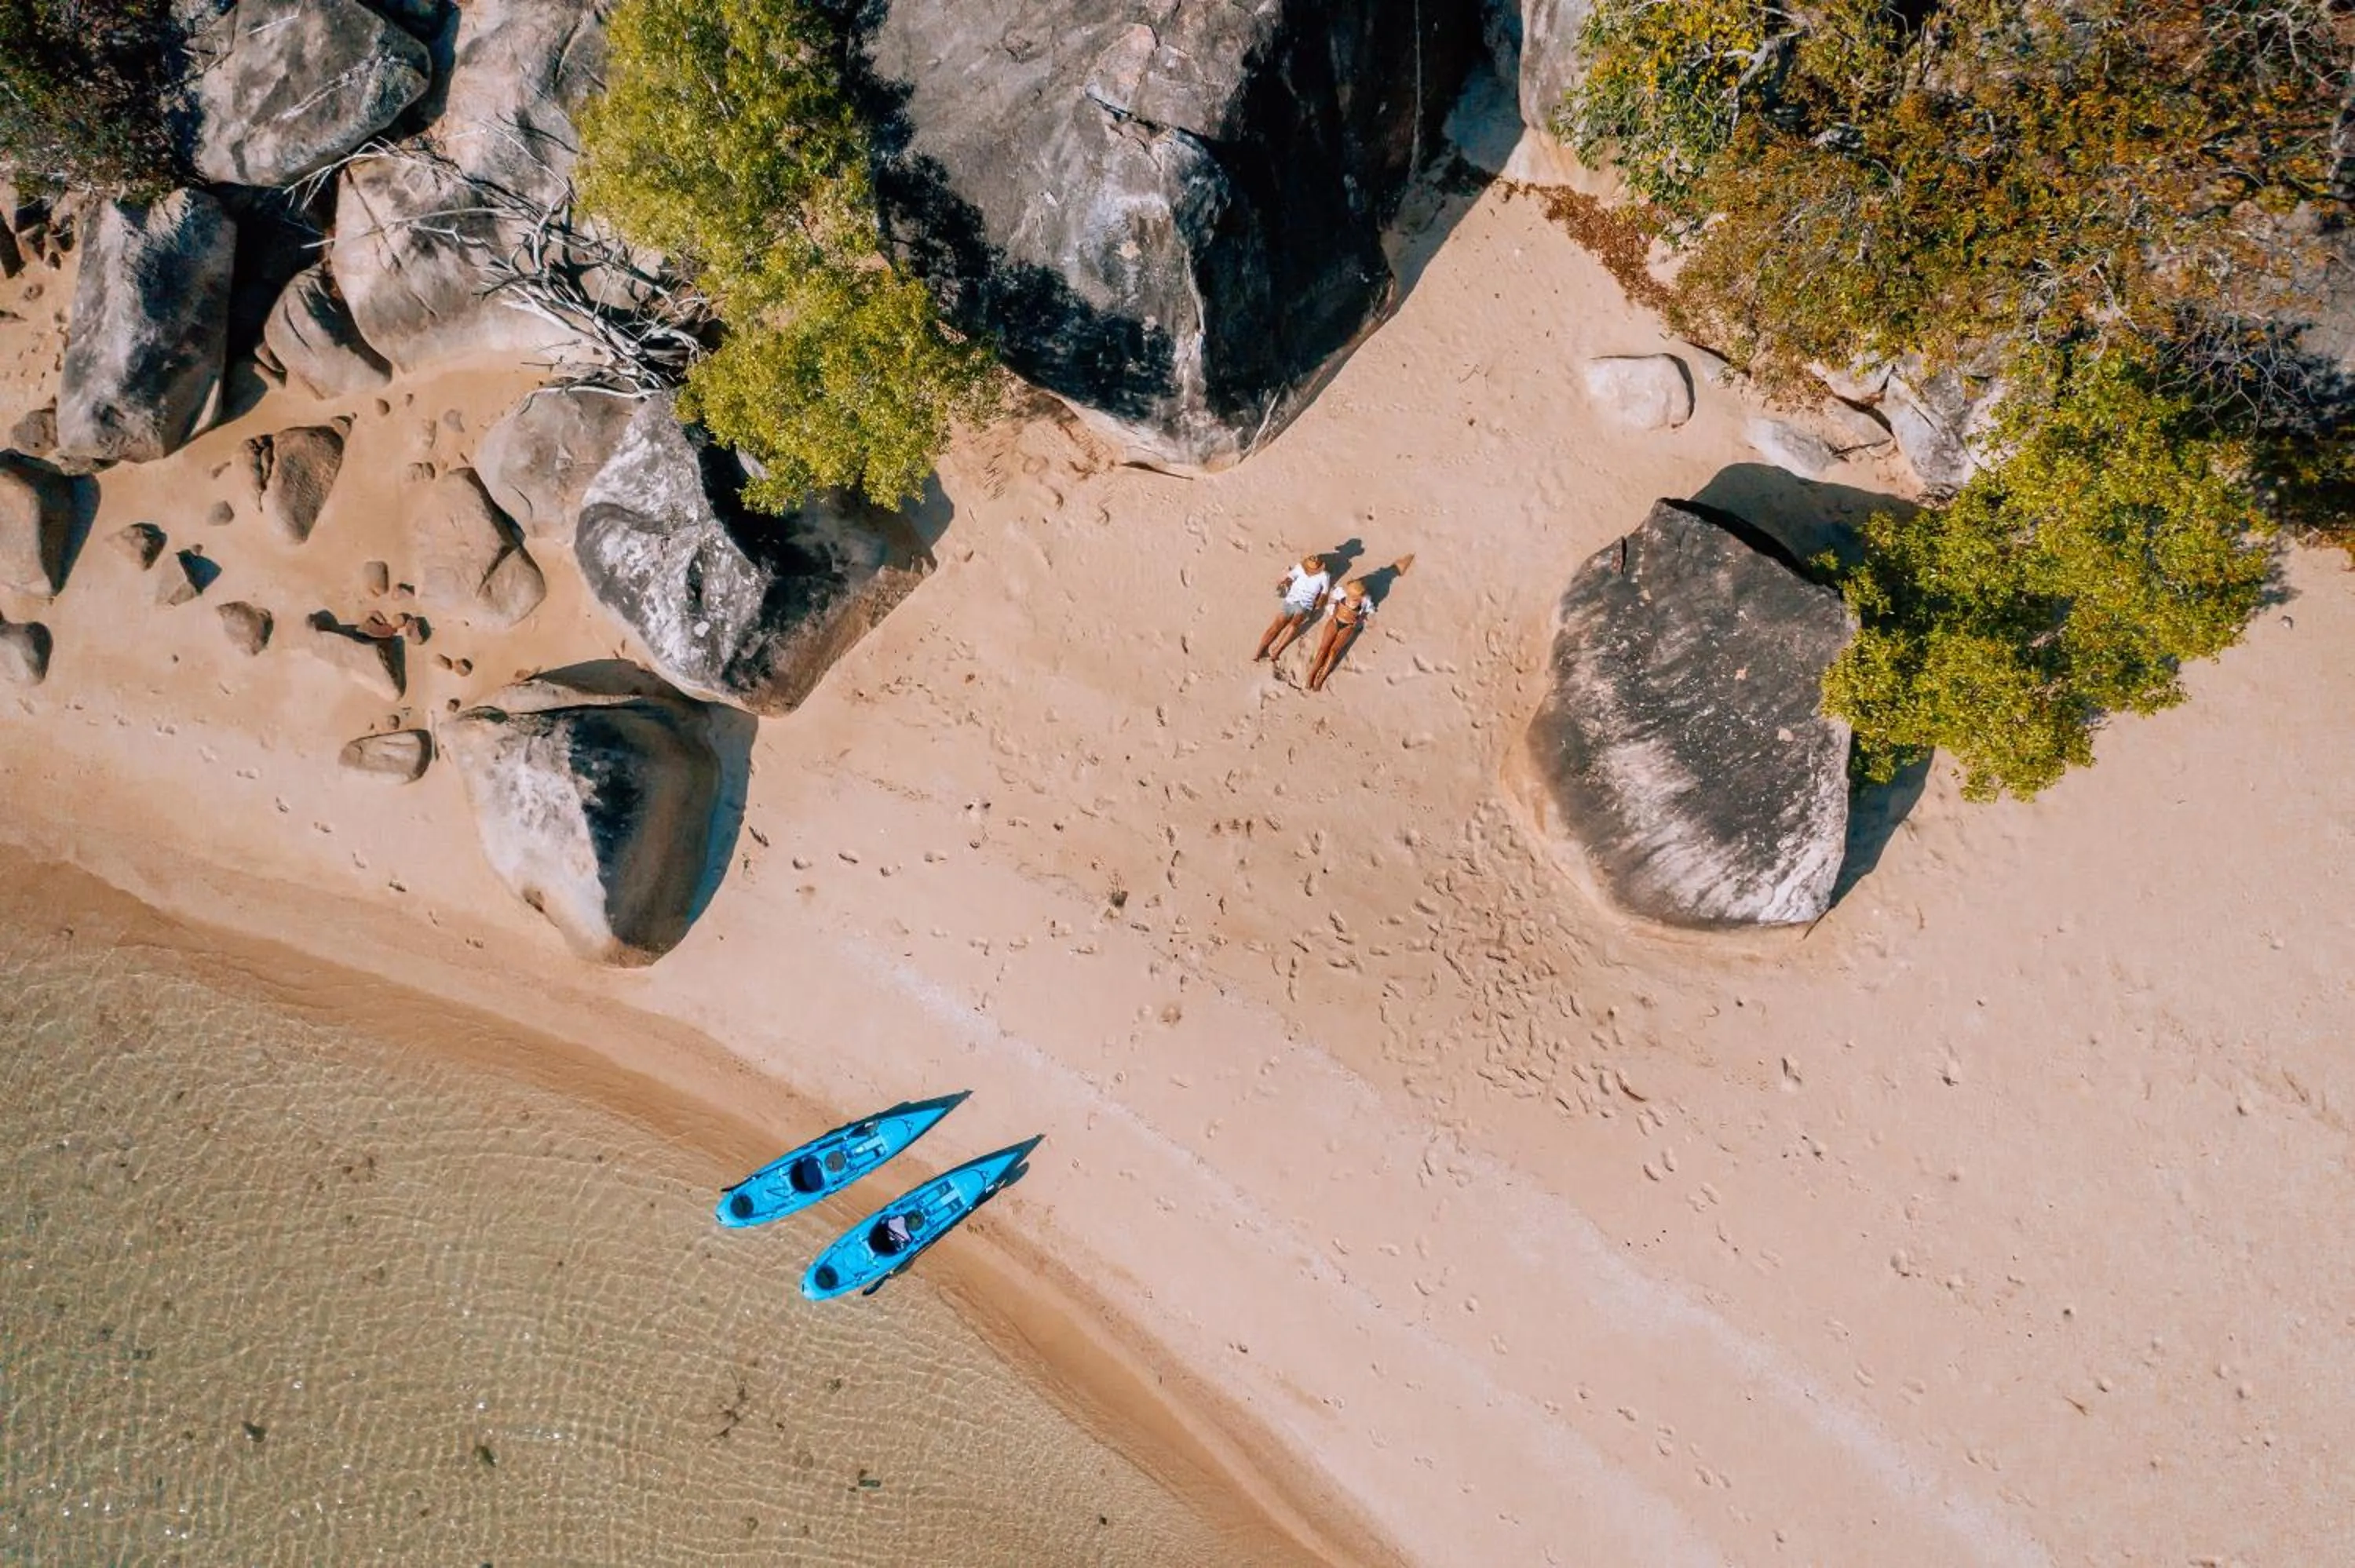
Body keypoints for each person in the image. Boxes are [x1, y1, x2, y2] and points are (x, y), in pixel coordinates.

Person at [1254, 553, 1334, 663]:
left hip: (1304, 605)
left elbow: (1325, 592)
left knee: (1291, 625)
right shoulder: (1301, 568)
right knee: (1278, 625)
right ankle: (1261, 652)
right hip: (1291, 600)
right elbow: (1291, 576)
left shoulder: (1324, 575)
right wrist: (1286, 582)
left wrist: (1320, 601)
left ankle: (1275, 651)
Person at [1307, 578, 1375, 691]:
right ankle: (1311, 676)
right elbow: (1334, 600)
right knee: (1323, 649)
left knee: (1333, 652)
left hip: (1348, 626)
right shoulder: (1342, 593)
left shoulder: (1365, 600)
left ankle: (1321, 678)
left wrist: (1360, 618)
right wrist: (1333, 613)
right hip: (1335, 621)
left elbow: (1369, 610)